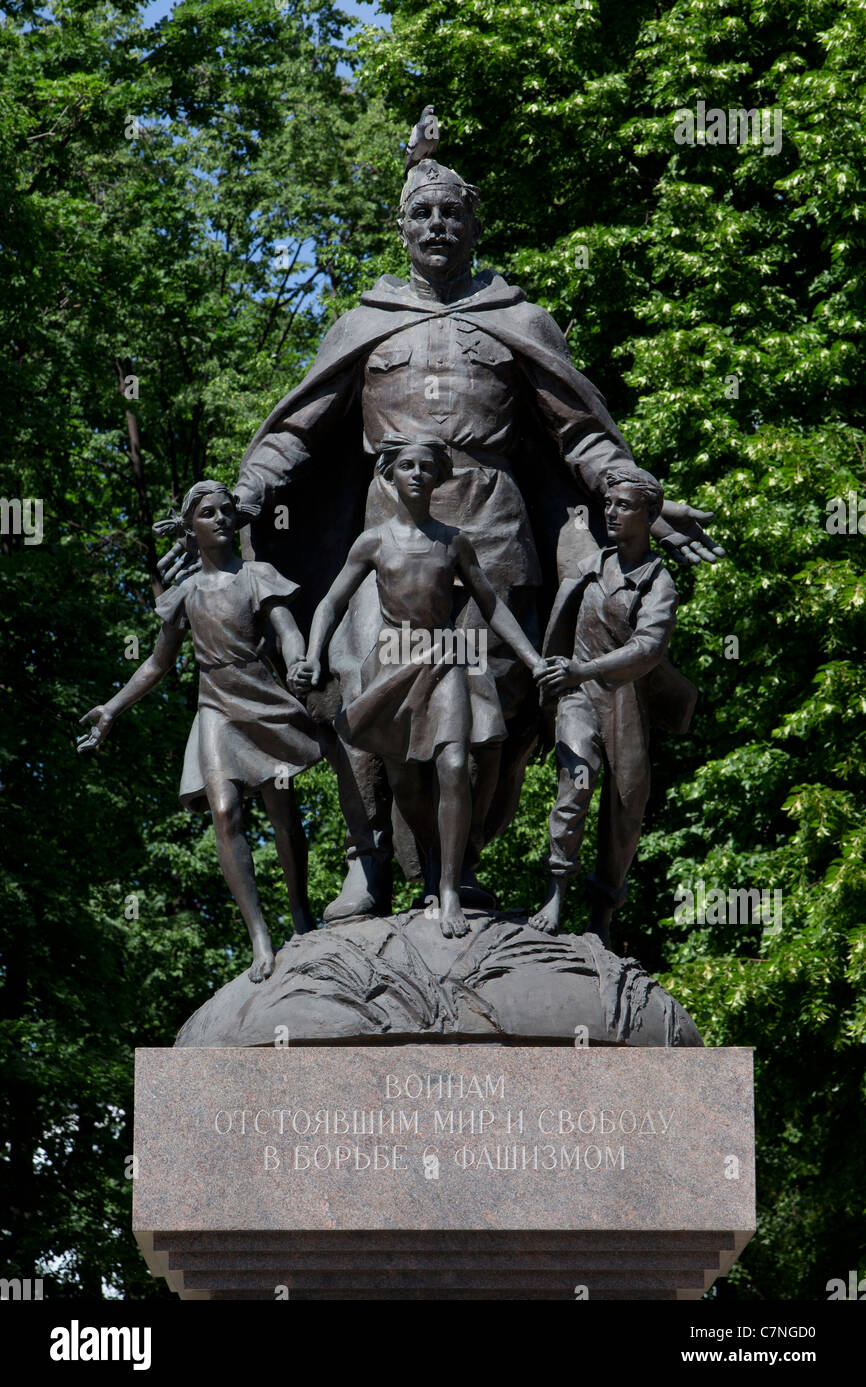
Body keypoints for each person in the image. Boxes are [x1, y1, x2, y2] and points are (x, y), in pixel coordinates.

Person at [160, 123, 723, 926]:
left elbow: (581, 435)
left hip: (492, 533)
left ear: (474, 226)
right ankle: (367, 865)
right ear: (402, 227)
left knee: (486, 707)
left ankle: (450, 874)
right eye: (423, 215)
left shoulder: (519, 320)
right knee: (362, 687)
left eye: (452, 216)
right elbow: (295, 432)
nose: (438, 229)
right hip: (383, 533)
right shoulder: (365, 323)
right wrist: (247, 494)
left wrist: (640, 495)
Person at [295, 437, 545, 939]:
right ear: (389, 474)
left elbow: (491, 605)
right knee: (406, 782)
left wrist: (534, 660)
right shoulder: (372, 542)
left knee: (454, 765)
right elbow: (330, 603)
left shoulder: (453, 541)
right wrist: (311, 653)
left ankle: (450, 890)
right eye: (405, 466)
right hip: (391, 664)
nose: (415, 474)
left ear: (438, 478)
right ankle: (431, 865)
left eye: (425, 468)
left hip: (444, 656)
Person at [77, 481, 321, 982]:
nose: (221, 519)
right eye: (209, 513)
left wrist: (298, 662)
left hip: (264, 704)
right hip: (215, 709)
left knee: (284, 814)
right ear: (191, 527)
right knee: (225, 811)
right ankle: (259, 939)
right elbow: (156, 664)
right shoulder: (183, 594)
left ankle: (300, 915)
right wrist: (111, 710)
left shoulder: (257, 575)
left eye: (228, 511)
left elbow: (289, 631)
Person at [530, 465, 696, 947]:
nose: (612, 513)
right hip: (579, 699)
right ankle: (555, 894)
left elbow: (648, 649)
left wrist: (584, 669)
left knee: (626, 808)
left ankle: (602, 914)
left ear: (649, 515)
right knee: (576, 782)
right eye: (609, 504)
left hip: (626, 701)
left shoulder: (658, 582)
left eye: (623, 506)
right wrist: (553, 693)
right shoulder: (588, 569)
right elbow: (556, 636)